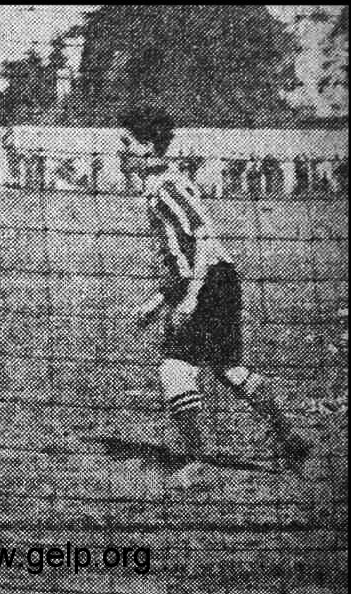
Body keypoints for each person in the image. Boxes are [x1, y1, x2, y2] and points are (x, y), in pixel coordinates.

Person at [122, 106, 311, 488]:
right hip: (217, 280)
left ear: (147, 146)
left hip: (210, 283)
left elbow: (204, 237)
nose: (120, 150)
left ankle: (197, 462)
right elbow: (183, 257)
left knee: (175, 368)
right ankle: (290, 439)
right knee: (229, 369)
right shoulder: (160, 184)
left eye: (126, 143)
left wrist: (191, 297)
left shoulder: (166, 188)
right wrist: (158, 302)